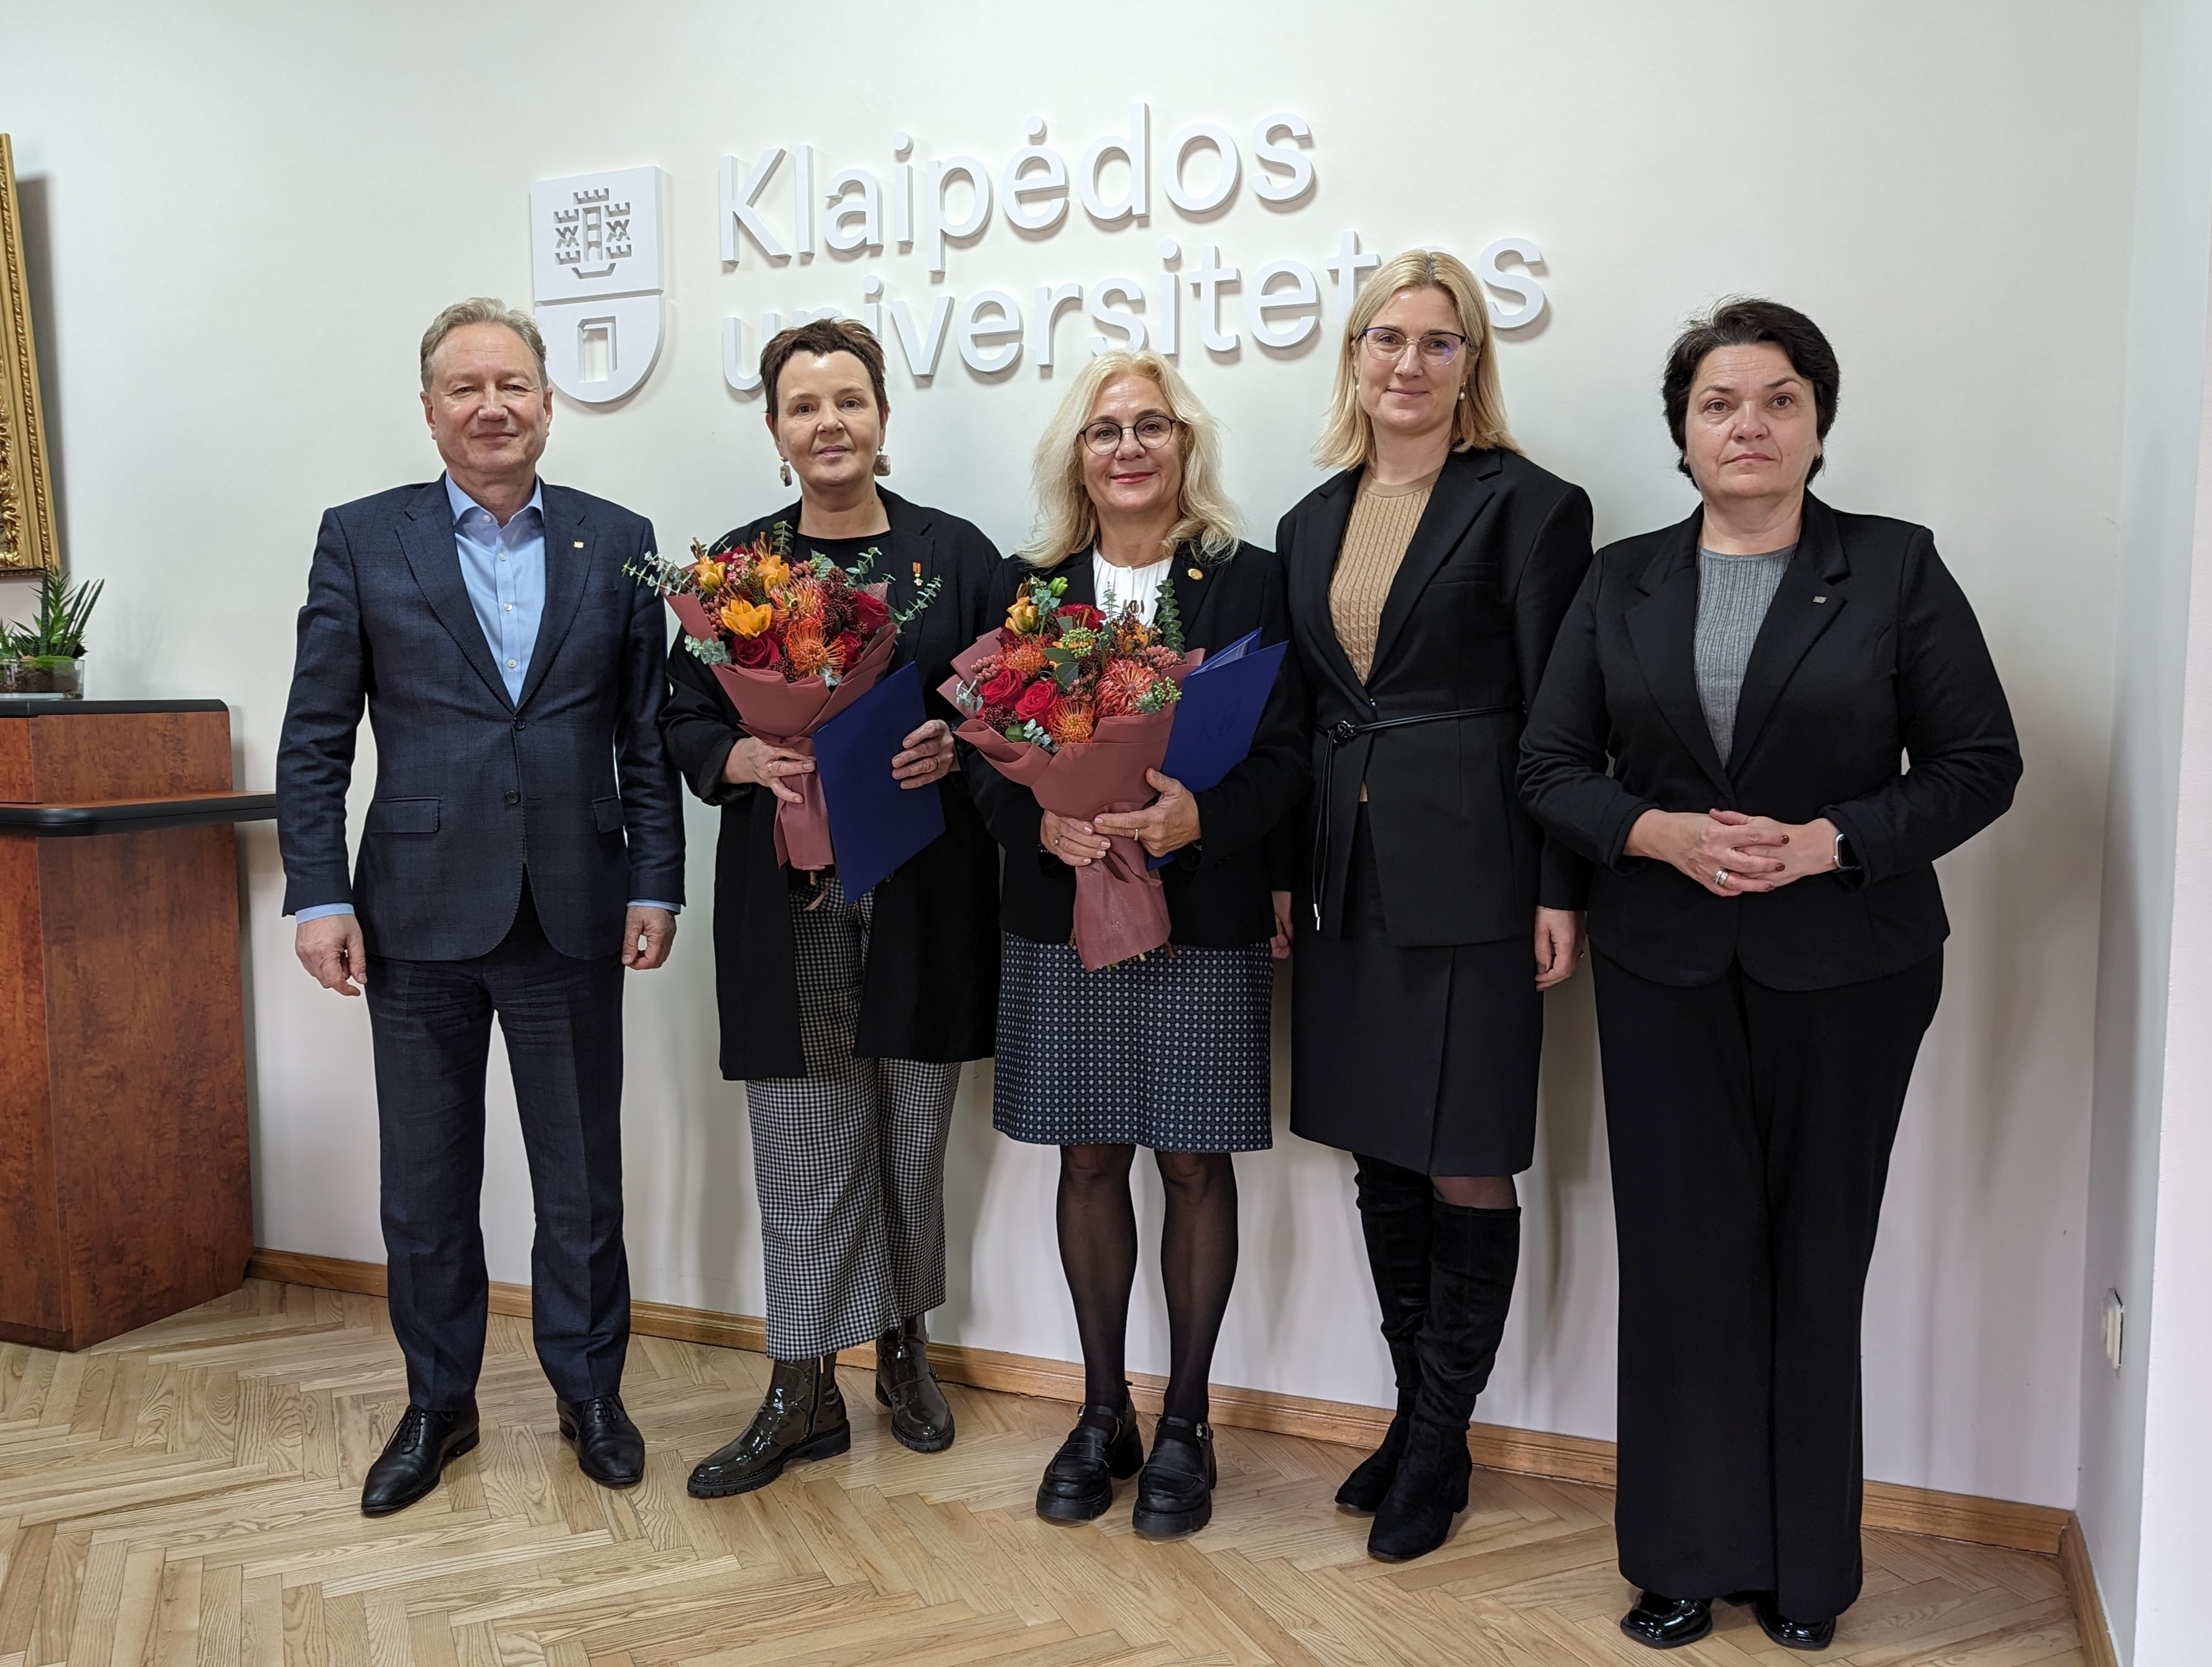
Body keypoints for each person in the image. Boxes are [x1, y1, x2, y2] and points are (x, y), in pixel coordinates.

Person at [1519, 298, 2023, 1651]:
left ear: (1817, 423)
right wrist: (1657, 832)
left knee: (1814, 1263)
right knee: (1681, 1265)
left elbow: (1981, 764)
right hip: (1664, 964)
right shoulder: (1619, 580)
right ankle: (1681, 1558)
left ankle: (1807, 1576)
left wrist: (1830, 841)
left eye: (1778, 399)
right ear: (1682, 435)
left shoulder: (1896, 567)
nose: (1749, 425)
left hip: (1850, 965)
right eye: (1718, 404)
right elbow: (1549, 765)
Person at [277, 298, 684, 1517]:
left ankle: (589, 1392)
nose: (492, 406)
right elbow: (314, 738)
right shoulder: (362, 538)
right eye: (466, 387)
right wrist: (318, 894)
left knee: (582, 1181)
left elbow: (646, 737)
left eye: (513, 385)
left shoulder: (618, 540)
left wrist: (655, 878)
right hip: (413, 915)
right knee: (425, 1183)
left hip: (574, 905)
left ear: (548, 404)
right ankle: (438, 1403)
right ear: (430, 410)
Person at [1277, 250, 1593, 1563]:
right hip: (1345, 879)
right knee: (1380, 1148)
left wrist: (1561, 885)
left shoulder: (1532, 506)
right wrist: (1286, 872)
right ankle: (1419, 1420)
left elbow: (1564, 717)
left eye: (1438, 341)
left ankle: (1441, 1437)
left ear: (1472, 365)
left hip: (1477, 871)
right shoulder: (1309, 520)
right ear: (1353, 356)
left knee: (1465, 1150)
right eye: (1385, 338)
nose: (1408, 363)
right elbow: (1302, 716)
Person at [961, 351, 1305, 1540]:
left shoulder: (1248, 580)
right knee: (1089, 1159)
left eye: (1151, 426)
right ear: (1077, 455)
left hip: (1201, 911)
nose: (1128, 447)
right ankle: (1101, 1409)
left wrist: (1204, 818)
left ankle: (1187, 1419)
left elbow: (1288, 750)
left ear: (1183, 446)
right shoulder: (1027, 587)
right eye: (1105, 429)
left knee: (1196, 1165)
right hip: (1064, 919)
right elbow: (982, 761)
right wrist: (1039, 822)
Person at [658, 318, 1002, 1498]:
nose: (829, 423)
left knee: (910, 1137)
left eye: (848, 400)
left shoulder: (956, 555)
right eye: (803, 406)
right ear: (774, 429)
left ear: (883, 417)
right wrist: (740, 760)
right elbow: (681, 718)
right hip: (788, 895)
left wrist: (954, 743)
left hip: (921, 890)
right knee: (801, 1145)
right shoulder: (734, 571)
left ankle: (904, 1351)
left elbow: (1006, 706)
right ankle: (799, 1385)